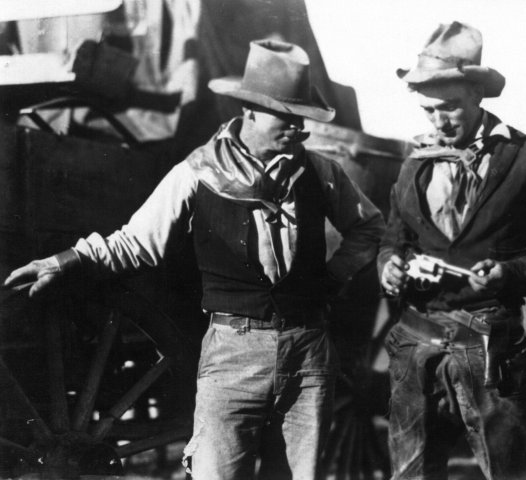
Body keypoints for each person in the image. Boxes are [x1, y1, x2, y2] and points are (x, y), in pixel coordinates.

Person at [3, 39, 385, 480]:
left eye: (300, 119)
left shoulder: (320, 172)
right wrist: (66, 260)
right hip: (232, 352)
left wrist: (333, 278)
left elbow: (369, 227)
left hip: (308, 354)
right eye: (286, 116)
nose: (297, 129)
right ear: (249, 113)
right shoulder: (197, 172)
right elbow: (135, 241)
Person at [378, 21, 526, 480]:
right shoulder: (414, 164)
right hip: (414, 347)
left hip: (490, 348)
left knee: (513, 472)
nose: (439, 123)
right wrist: (389, 268)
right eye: (428, 112)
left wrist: (509, 271)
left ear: (478, 95)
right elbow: (393, 239)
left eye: (450, 109)